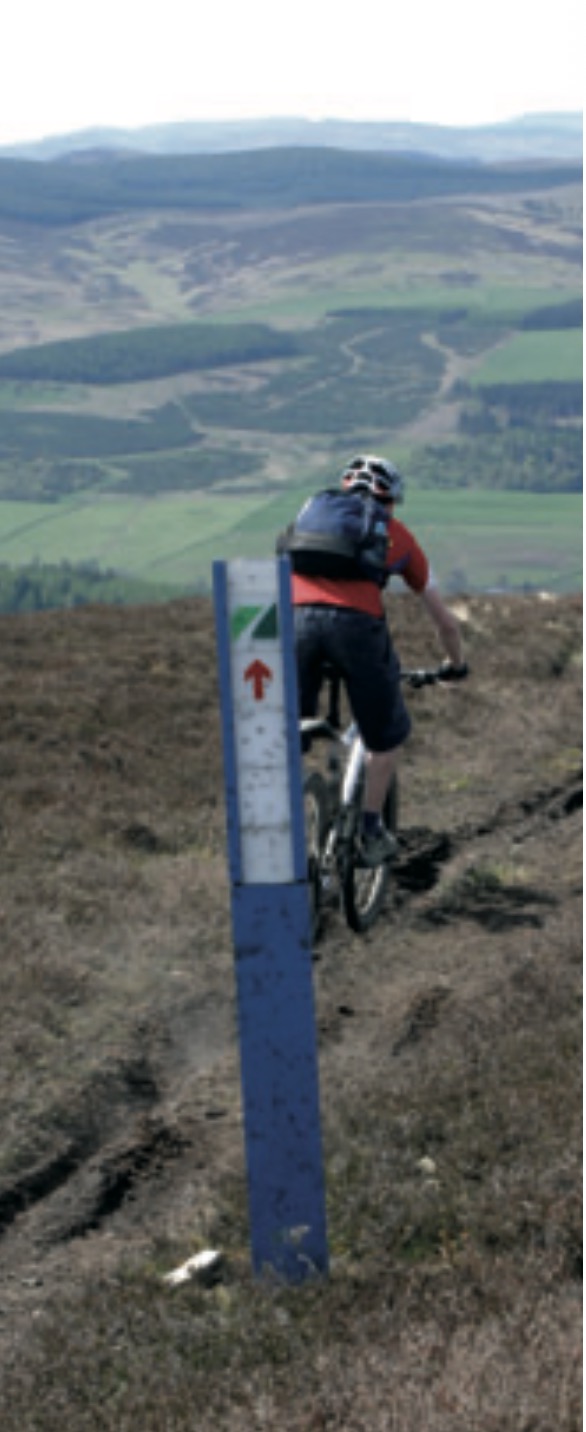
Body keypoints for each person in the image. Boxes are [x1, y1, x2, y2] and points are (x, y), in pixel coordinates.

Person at [290, 454, 468, 866]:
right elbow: (446, 623)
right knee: (385, 737)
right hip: (357, 631)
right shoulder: (396, 535)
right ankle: (369, 831)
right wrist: (455, 665)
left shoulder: (310, 518)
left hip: (296, 624)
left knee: (290, 732)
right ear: (390, 501)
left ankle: (288, 809)